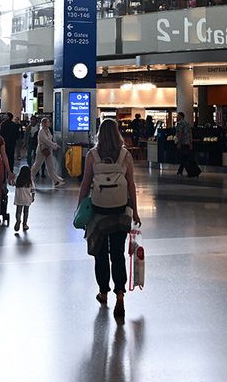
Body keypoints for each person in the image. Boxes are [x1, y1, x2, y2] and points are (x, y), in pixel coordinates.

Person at [78, 119, 140, 319]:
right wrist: (136, 211)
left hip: (98, 214)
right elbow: (131, 185)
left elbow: (86, 183)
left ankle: (103, 292)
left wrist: (80, 208)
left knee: (100, 253)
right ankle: (120, 294)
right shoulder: (125, 155)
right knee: (118, 254)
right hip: (120, 213)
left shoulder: (92, 155)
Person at [30, 119, 65, 187]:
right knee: (37, 166)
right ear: (44, 123)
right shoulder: (41, 132)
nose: (49, 123)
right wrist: (55, 145)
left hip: (48, 151)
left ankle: (56, 181)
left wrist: (54, 145)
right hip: (41, 151)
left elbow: (49, 139)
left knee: (50, 166)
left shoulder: (48, 130)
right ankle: (30, 180)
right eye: (48, 122)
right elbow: (46, 141)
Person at [12, 164, 35, 233]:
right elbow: (33, 190)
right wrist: (33, 197)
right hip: (27, 199)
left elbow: (13, 184)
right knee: (26, 212)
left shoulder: (18, 179)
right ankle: (24, 224)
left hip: (19, 198)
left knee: (18, 211)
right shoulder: (30, 181)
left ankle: (18, 220)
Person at [173, 111, 194, 176]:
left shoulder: (180, 124)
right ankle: (180, 171)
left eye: (178, 116)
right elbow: (190, 133)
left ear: (181, 117)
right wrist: (190, 143)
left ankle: (190, 171)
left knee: (183, 158)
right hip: (187, 142)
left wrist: (179, 143)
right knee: (185, 157)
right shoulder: (187, 123)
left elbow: (180, 133)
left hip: (182, 143)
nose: (177, 117)